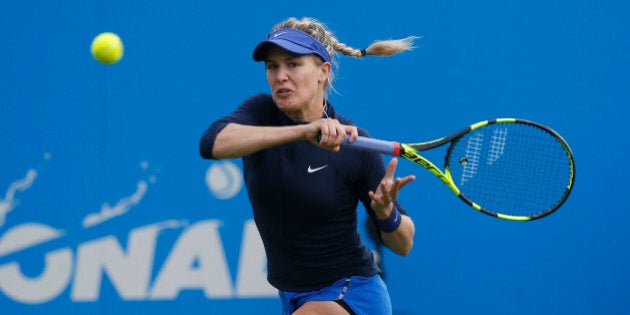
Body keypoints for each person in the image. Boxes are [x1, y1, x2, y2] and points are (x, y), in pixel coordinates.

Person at [200, 17, 417, 315]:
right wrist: (304, 130)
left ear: (323, 72)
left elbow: (403, 244)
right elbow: (212, 144)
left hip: (350, 294)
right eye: (272, 66)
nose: (280, 76)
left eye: (293, 64)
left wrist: (385, 213)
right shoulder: (260, 113)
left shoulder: (355, 146)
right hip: (293, 296)